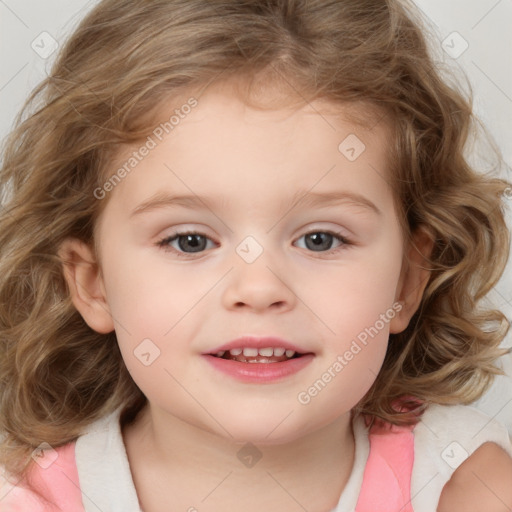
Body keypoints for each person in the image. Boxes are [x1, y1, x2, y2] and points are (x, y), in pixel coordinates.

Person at [1, 0, 511, 510]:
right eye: (190, 241)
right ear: (93, 283)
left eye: (320, 239)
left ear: (406, 280)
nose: (259, 288)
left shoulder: (463, 489)